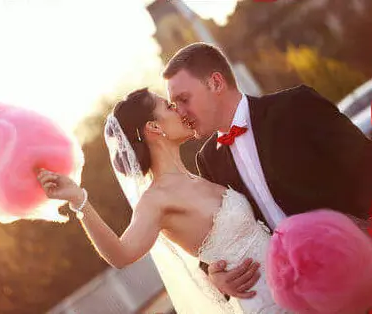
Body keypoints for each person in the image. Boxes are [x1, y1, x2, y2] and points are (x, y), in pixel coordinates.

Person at [37, 88, 290, 313]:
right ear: (154, 127)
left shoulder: (200, 174)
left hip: (294, 283)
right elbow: (121, 254)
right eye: (169, 106)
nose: (179, 109)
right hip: (264, 304)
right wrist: (80, 201)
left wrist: (214, 276)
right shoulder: (155, 200)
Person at [163, 42, 372, 300]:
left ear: (216, 83)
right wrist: (215, 276)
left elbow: (364, 162)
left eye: (184, 99)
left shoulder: (295, 106)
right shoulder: (208, 161)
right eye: (174, 105)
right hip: (300, 298)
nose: (180, 113)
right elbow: (215, 237)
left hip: (359, 261)